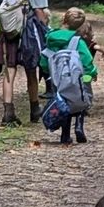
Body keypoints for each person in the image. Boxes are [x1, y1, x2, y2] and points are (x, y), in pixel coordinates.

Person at [41, 14, 96, 146]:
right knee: (81, 98)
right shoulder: (78, 41)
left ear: (64, 20)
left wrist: (47, 71)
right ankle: (78, 127)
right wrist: (92, 73)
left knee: (63, 102)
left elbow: (44, 59)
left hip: (57, 78)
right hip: (76, 78)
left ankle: (65, 135)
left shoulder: (51, 38)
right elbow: (87, 61)